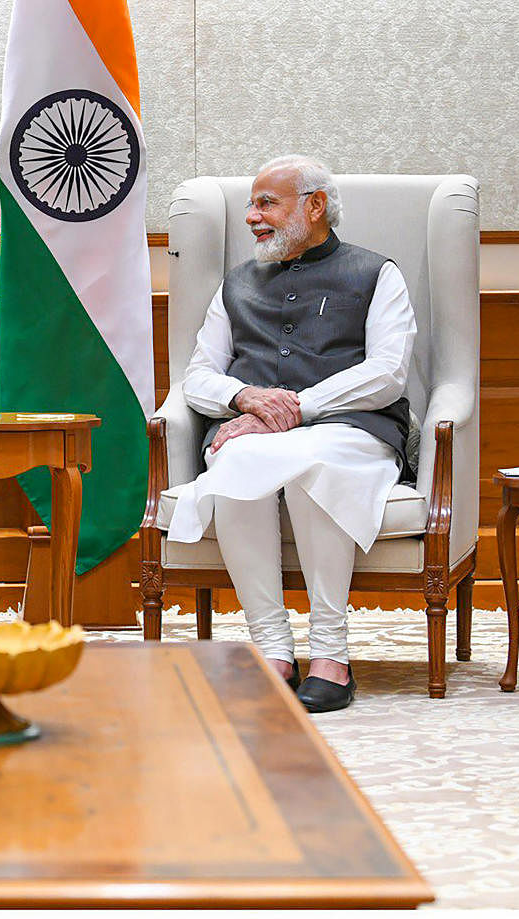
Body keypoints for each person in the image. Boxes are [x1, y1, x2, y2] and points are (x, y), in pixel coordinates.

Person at [168, 154, 416, 713]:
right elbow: (199, 375)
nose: (252, 216)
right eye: (251, 204)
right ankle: (272, 648)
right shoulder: (235, 286)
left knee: (312, 465)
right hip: (251, 433)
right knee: (235, 465)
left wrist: (294, 408)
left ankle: (332, 653)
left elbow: (387, 373)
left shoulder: (377, 273)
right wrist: (243, 398)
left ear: (315, 206)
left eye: (266, 203)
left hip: (352, 430)